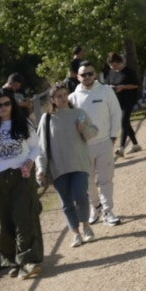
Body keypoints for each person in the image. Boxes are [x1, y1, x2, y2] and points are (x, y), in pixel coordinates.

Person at [0, 92, 45, 279]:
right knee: (3, 223)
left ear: (12, 105)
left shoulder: (23, 124)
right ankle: (12, 261)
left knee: (24, 217)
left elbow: (36, 147)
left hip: (21, 176)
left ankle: (28, 260)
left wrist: (29, 160)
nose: (2, 107)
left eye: (6, 103)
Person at [36, 83, 97, 247]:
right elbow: (40, 147)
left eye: (65, 95)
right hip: (58, 168)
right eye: (59, 96)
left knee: (80, 195)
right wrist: (41, 168)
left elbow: (93, 133)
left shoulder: (79, 113)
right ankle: (75, 233)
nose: (63, 98)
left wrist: (83, 129)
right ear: (52, 100)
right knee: (67, 203)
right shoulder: (46, 119)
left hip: (79, 163)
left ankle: (86, 226)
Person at [68, 60, 123, 225]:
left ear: (95, 74)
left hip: (104, 142)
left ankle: (108, 211)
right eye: (83, 74)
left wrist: (113, 136)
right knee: (88, 182)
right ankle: (96, 206)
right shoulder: (72, 98)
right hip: (83, 147)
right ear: (78, 77)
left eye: (90, 73)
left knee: (106, 179)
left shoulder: (106, 91)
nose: (87, 77)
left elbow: (116, 113)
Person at [105, 52, 142, 156]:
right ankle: (135, 145)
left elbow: (136, 85)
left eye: (115, 65)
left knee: (123, 122)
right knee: (126, 124)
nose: (114, 68)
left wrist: (123, 87)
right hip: (117, 102)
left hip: (129, 100)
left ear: (120, 62)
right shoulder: (111, 72)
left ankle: (121, 148)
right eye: (112, 66)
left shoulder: (129, 71)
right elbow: (106, 84)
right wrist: (111, 88)